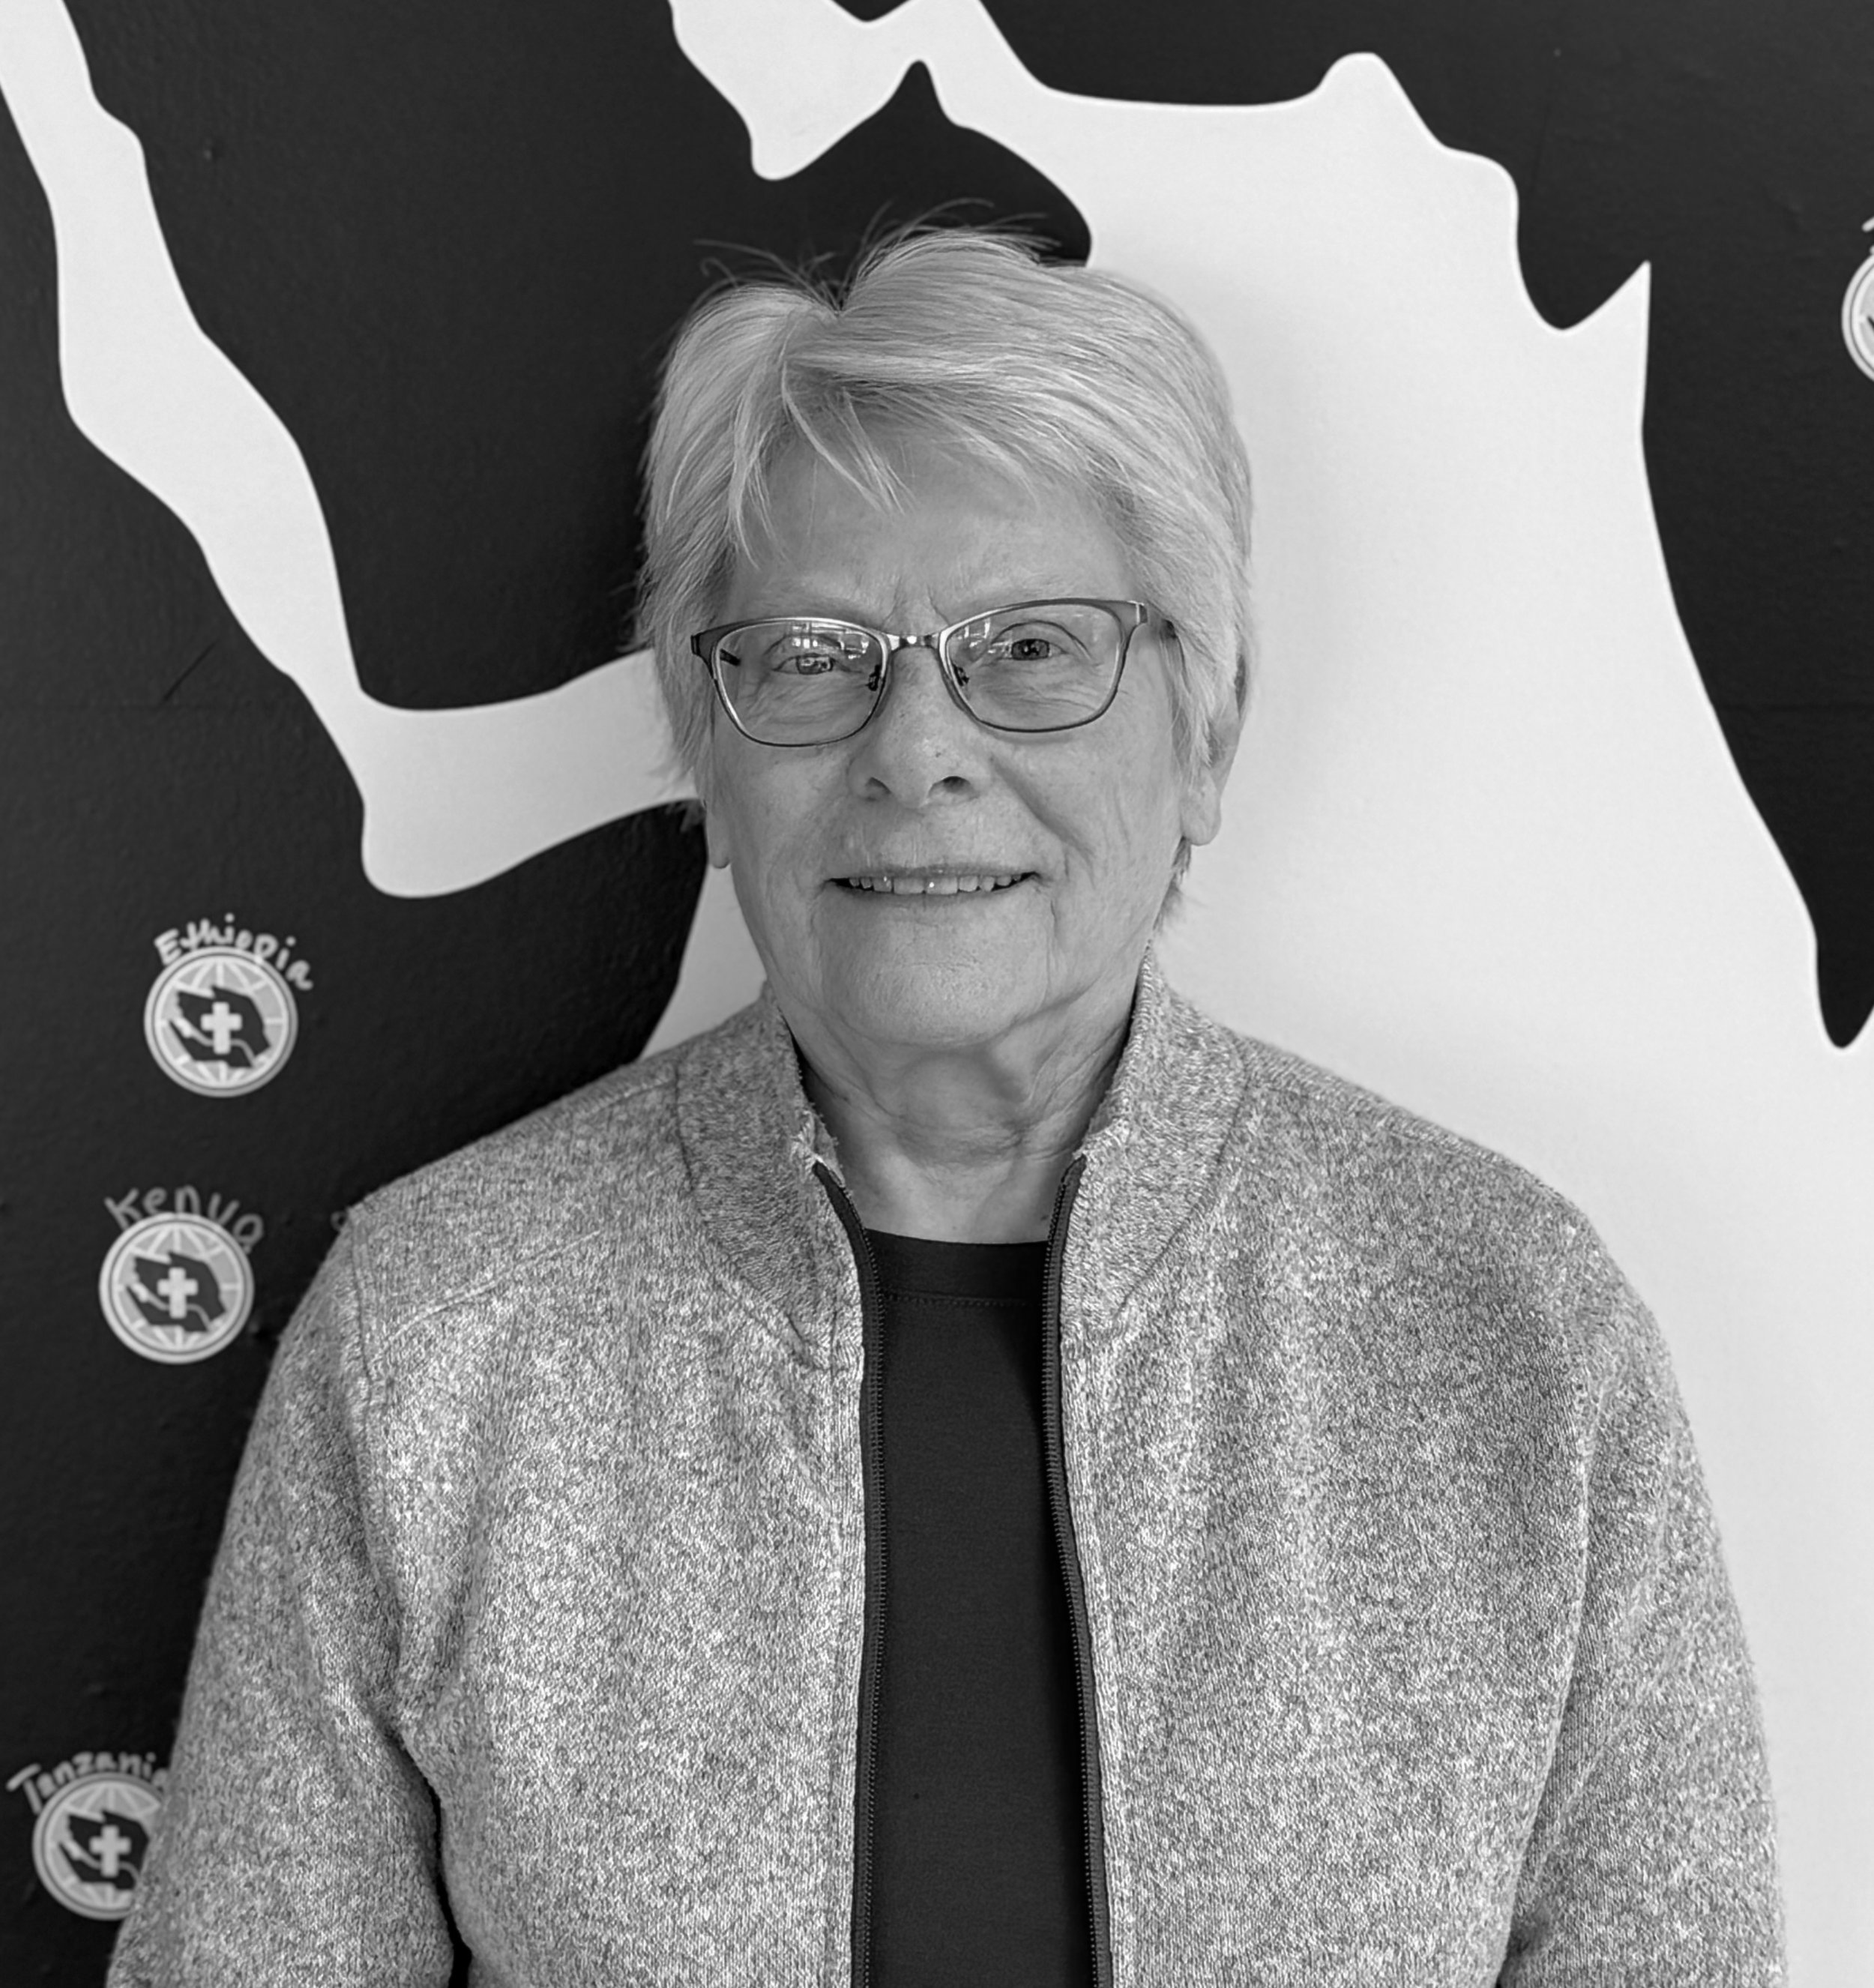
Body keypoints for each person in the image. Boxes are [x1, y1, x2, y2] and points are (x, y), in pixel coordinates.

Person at [108, 228, 1783, 1987]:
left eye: (1034, 648)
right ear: (707, 743)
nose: (916, 749)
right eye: (814, 657)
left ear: (1204, 736)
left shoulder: (1504, 1324)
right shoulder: (438, 1334)